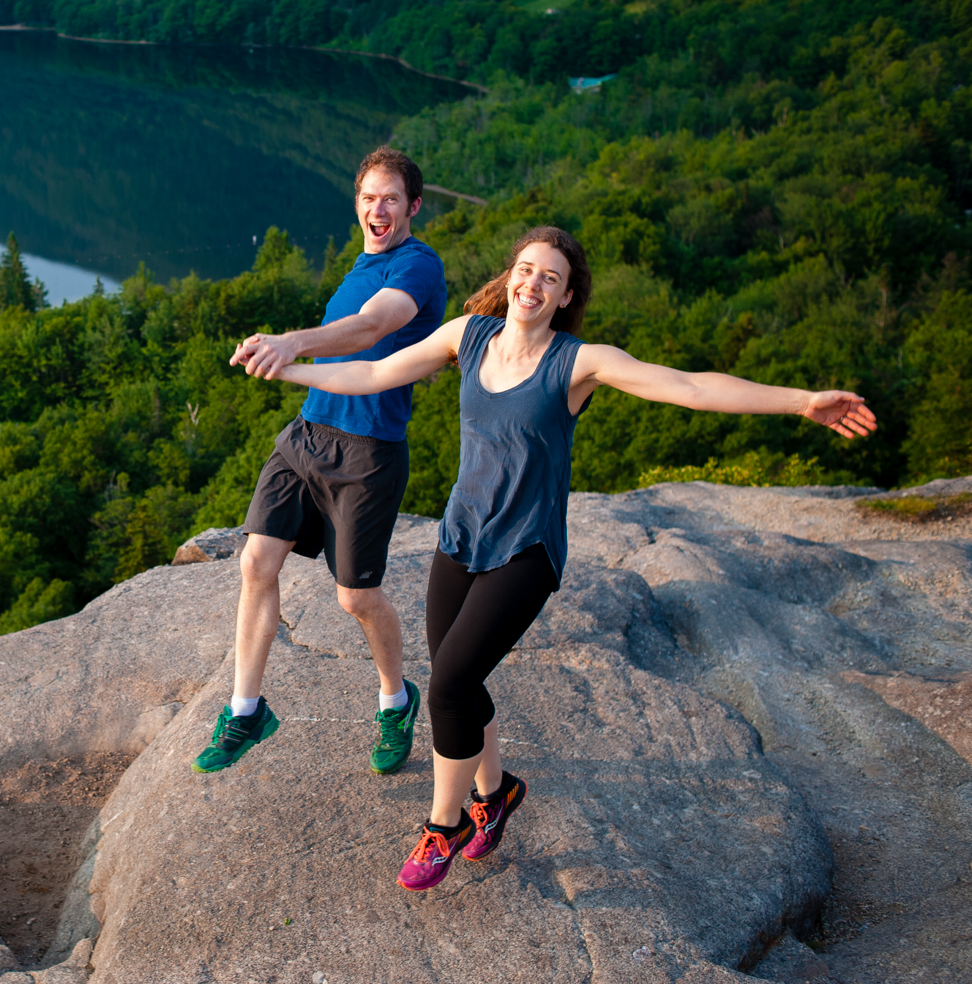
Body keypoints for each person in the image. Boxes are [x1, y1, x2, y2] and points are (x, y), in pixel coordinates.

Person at [253, 225, 877, 890]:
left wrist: (802, 402)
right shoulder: (469, 336)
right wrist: (288, 365)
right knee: (459, 681)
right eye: (526, 269)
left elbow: (690, 387)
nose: (532, 284)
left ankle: (445, 826)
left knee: (448, 686)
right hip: (461, 538)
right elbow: (377, 371)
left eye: (549, 277)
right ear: (511, 275)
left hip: (526, 550)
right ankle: (494, 795)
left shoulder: (578, 362)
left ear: (565, 294)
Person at [192, 148, 449, 776]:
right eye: (367, 197)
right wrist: (282, 357)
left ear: (413, 205)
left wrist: (292, 342)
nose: (376, 208)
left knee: (356, 599)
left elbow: (369, 328)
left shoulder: (418, 267)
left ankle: (396, 700)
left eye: (390, 197)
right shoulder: (361, 263)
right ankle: (246, 710)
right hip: (307, 436)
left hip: (368, 455)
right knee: (256, 560)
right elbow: (342, 340)